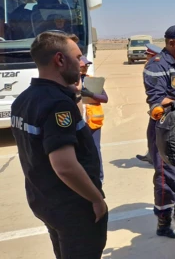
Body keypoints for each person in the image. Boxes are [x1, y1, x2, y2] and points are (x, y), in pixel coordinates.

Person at [10, 31, 108, 258]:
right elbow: (64, 166)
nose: (82, 63)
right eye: (78, 57)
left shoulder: (24, 100)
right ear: (60, 60)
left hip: (44, 201)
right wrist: (96, 199)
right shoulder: (58, 105)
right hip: (74, 208)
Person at [143, 25, 175, 238]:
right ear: (171, 43)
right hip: (166, 127)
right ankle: (164, 223)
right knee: (167, 175)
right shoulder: (155, 66)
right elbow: (156, 99)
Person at [78, 56, 109, 183]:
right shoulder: (69, 81)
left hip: (92, 121)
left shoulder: (92, 81)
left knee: (95, 149)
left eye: (86, 66)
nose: (85, 68)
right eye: (82, 66)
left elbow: (105, 98)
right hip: (79, 120)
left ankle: (99, 178)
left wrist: (90, 94)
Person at [137, 43, 163, 164]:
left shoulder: (155, 68)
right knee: (152, 135)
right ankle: (151, 155)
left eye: (148, 54)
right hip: (155, 108)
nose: (146, 57)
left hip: (159, 109)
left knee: (153, 135)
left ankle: (155, 158)